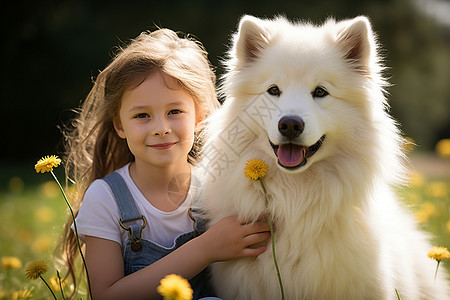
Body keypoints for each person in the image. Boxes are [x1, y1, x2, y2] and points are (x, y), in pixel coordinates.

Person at [60, 28, 271, 300]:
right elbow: (105, 295)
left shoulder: (215, 188)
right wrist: (205, 249)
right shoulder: (105, 198)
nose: (160, 128)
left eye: (174, 112)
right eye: (142, 115)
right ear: (119, 125)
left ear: (199, 117)